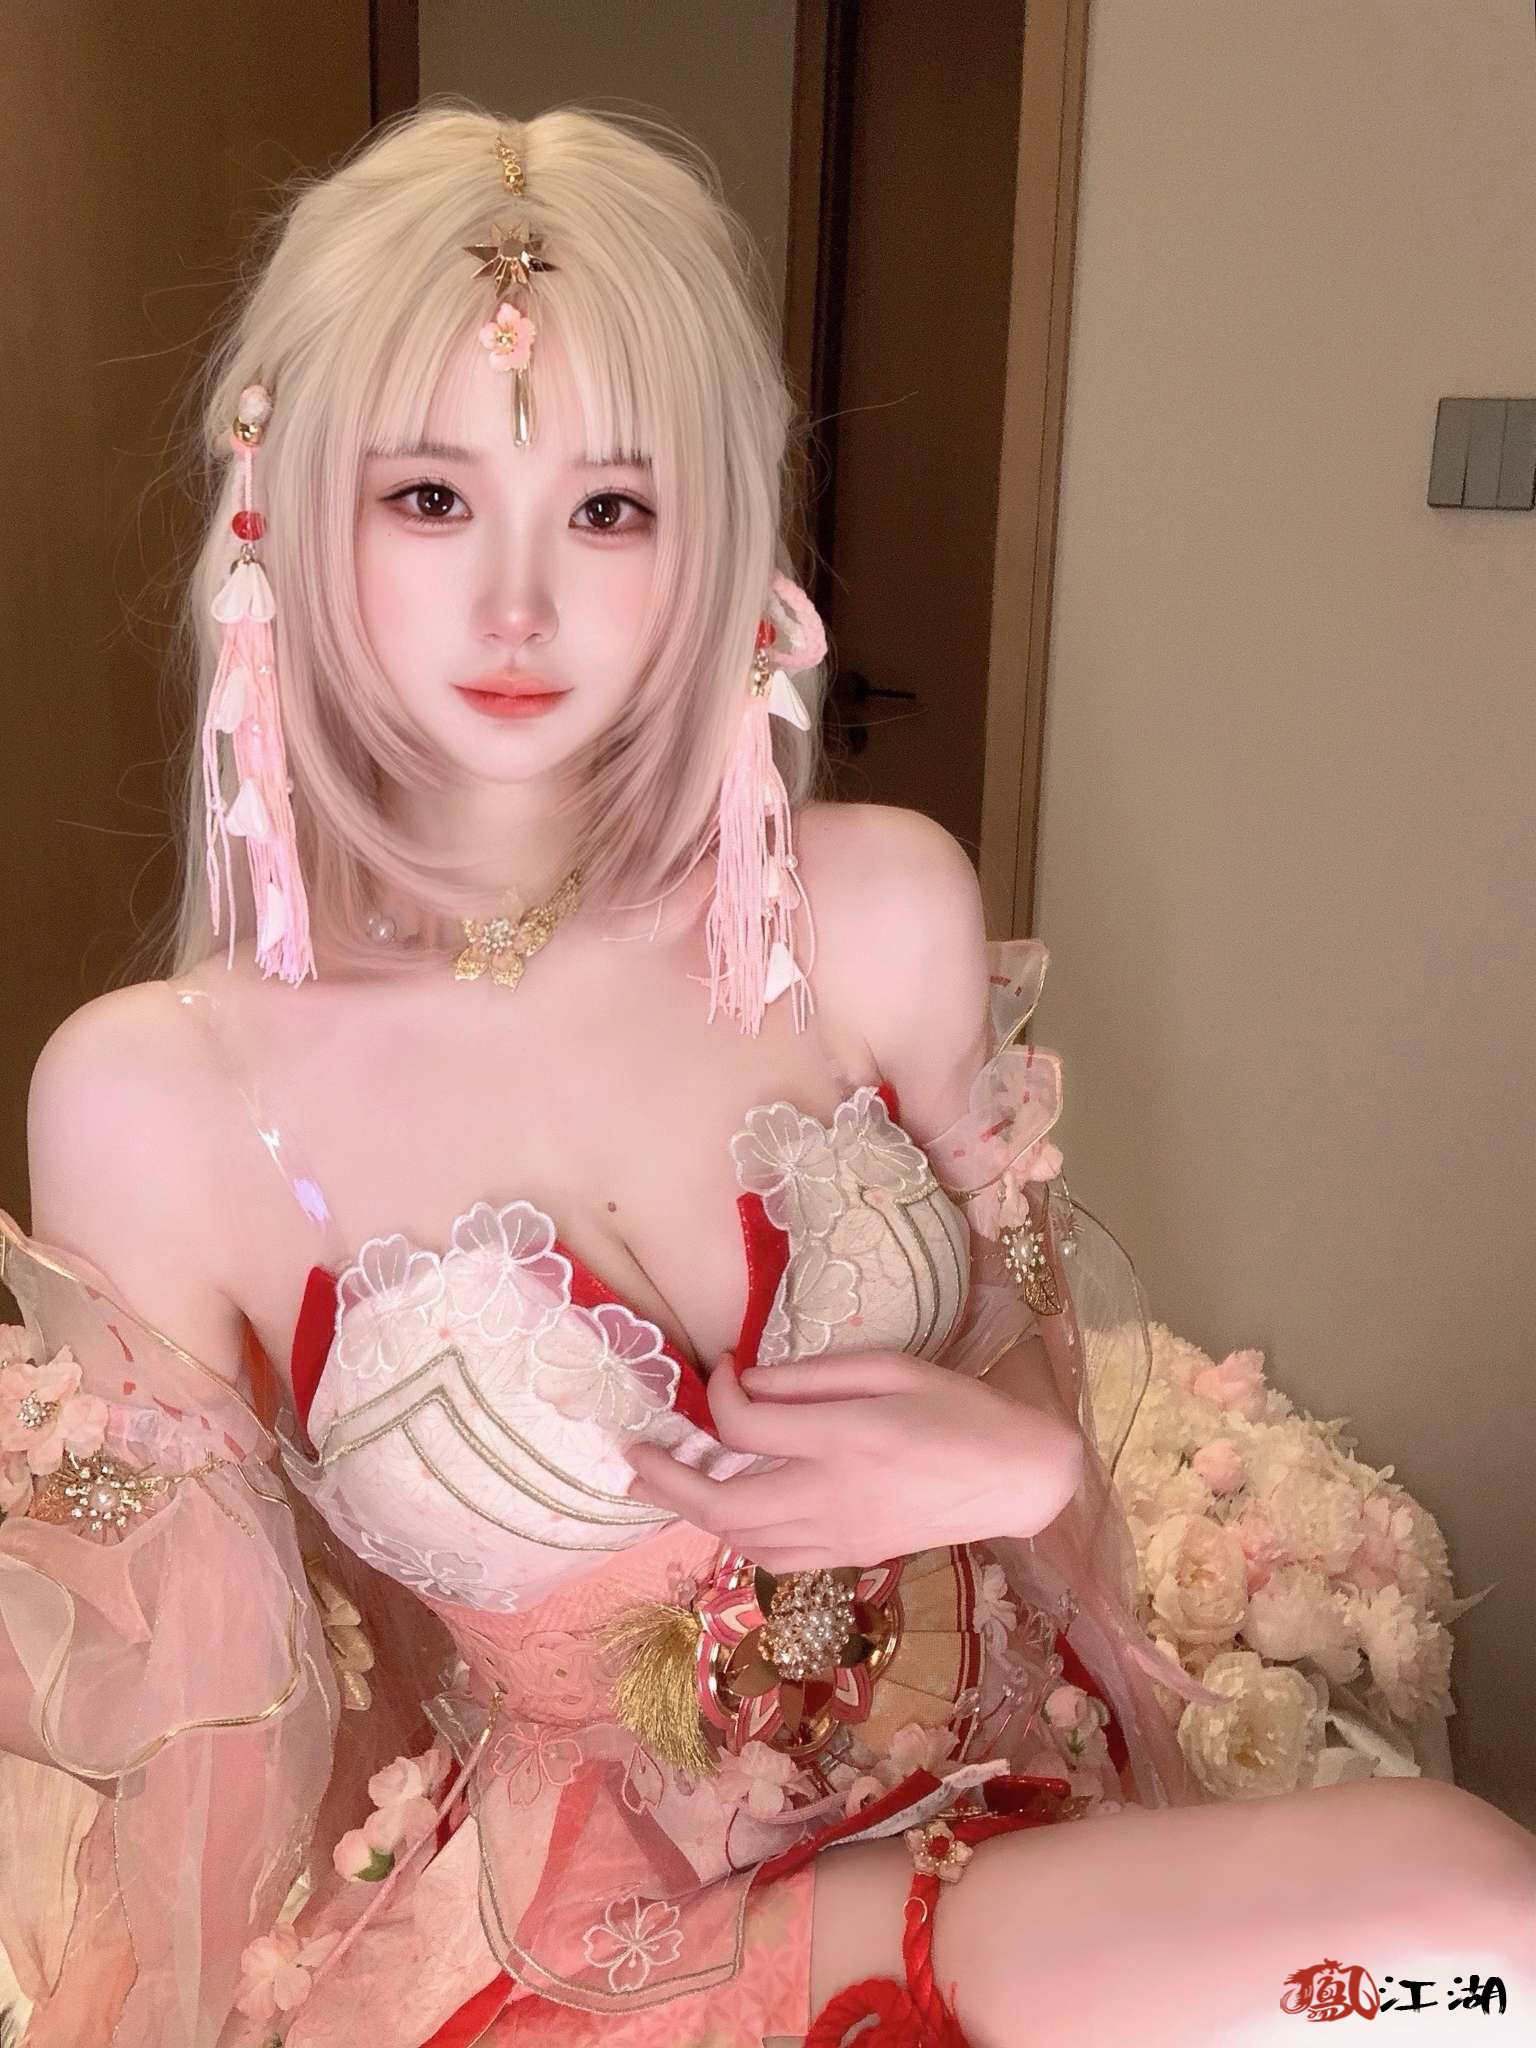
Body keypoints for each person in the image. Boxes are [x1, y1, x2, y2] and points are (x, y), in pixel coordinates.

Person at [1, 101, 1530, 2048]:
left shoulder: (875, 911)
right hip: (598, 1950)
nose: (520, 604)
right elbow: (195, 1765)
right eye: (432, 497)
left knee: (1470, 1955)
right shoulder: (160, 1097)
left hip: (985, 1826)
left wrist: (1028, 1460)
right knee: (1466, 1932)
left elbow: (1025, 1400)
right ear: (281, 514)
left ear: (713, 534)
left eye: (610, 510)